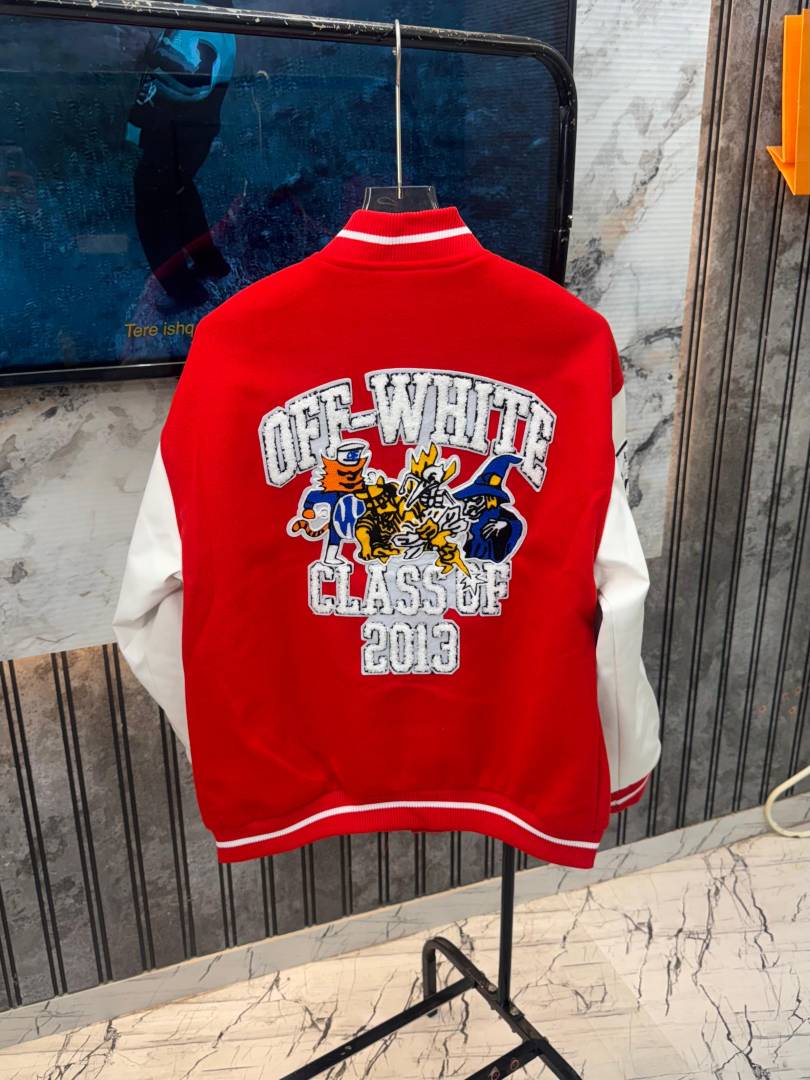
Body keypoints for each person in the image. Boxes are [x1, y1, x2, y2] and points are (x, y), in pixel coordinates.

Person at [127, 0, 236, 308]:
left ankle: (183, 293)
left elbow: (197, 79)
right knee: (180, 194)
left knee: (152, 211)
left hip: (177, 135)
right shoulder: (200, 11)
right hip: (178, 132)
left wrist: (149, 51)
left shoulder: (203, 15)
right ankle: (211, 265)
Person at [454, 454, 525, 563]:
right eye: (470, 499)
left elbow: (517, 526)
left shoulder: (501, 515)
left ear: (490, 499)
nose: (471, 503)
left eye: (478, 499)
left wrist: (505, 525)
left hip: (487, 565)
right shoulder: (460, 514)